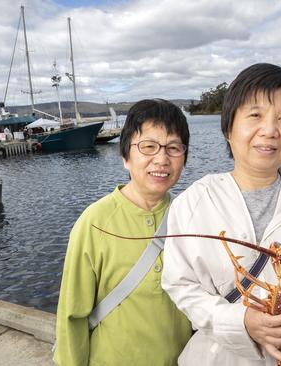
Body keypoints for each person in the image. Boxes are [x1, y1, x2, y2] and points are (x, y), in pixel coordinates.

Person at [162, 63, 281, 366]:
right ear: (228, 127)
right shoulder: (194, 201)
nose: (270, 130)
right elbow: (180, 285)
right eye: (255, 115)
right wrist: (241, 322)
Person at [54, 99, 193, 365]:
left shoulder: (190, 216)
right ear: (125, 157)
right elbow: (71, 317)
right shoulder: (94, 222)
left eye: (173, 148)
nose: (162, 158)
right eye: (148, 147)